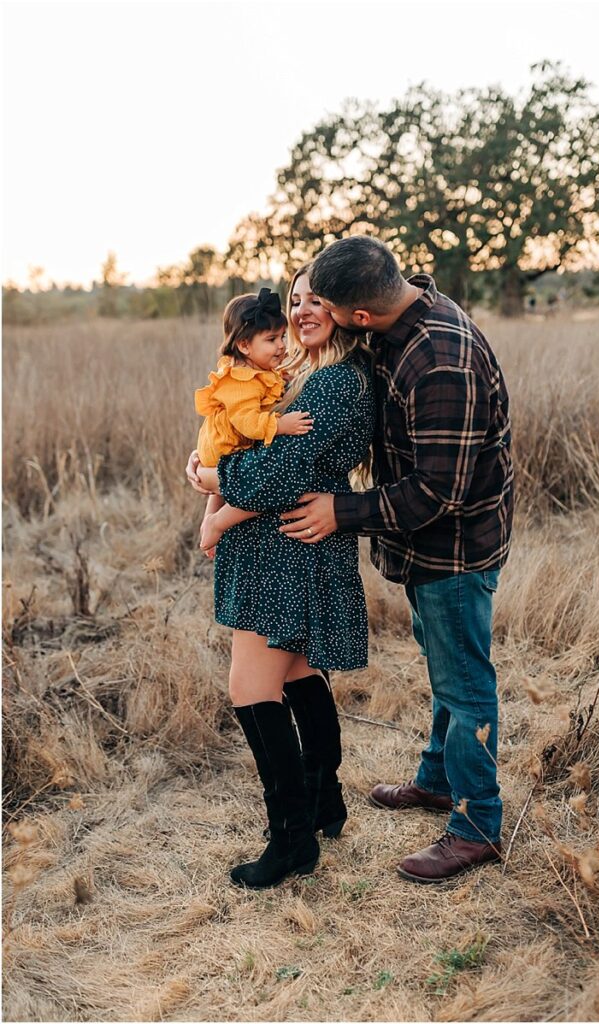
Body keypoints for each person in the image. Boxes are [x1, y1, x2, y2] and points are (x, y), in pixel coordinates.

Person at [279, 236, 514, 884]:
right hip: (428, 548)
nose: (309, 311)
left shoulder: (439, 359)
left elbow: (439, 492)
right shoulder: (399, 322)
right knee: (446, 667)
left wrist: (341, 511)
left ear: (360, 314)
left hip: (455, 552)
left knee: (466, 685)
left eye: (324, 303)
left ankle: (476, 826)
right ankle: (439, 781)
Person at [186, 265, 375, 890]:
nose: (301, 311)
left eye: (317, 299)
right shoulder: (300, 376)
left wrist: (214, 492)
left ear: (348, 308)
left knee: (250, 688)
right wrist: (208, 459)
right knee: (295, 673)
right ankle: (322, 805)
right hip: (279, 548)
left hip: (287, 553)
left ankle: (290, 840)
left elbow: (276, 475)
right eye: (295, 300)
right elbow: (249, 444)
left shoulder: (339, 385)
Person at [194, 288, 314, 554]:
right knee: (256, 484)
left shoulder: (259, 370)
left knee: (229, 486)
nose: (282, 345)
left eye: (282, 337)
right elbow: (248, 423)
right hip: (225, 445)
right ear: (244, 345)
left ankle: (209, 526)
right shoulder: (240, 381)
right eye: (271, 339)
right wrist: (281, 425)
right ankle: (216, 523)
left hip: (226, 447)